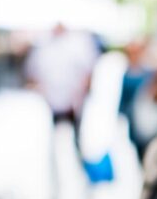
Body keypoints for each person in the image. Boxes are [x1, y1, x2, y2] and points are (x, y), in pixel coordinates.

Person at [25, 23, 101, 172]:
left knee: (78, 143)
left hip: (74, 104)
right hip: (52, 103)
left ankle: (81, 172)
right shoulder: (44, 47)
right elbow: (32, 74)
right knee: (52, 143)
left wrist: (79, 96)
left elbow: (89, 73)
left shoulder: (78, 45)